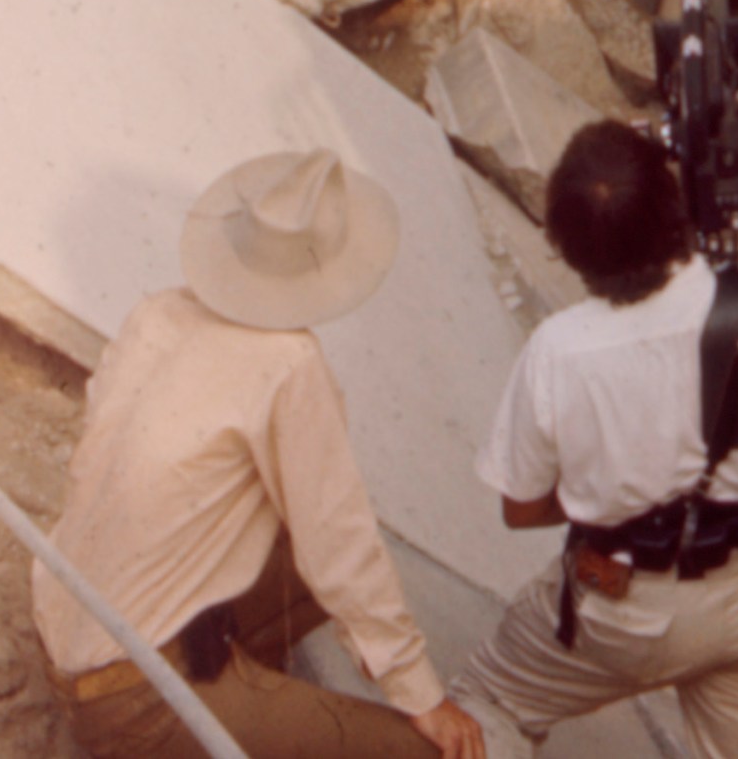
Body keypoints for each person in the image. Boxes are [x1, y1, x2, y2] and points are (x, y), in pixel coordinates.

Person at [33, 146, 485, 759]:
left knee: (291, 541)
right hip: (136, 697)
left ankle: (243, 690)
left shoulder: (159, 313)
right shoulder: (287, 365)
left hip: (62, 628)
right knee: (424, 754)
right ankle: (221, 720)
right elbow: (341, 547)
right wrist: (421, 696)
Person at [453, 123, 738, 759]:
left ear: (568, 248)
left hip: (625, 608)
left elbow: (521, 508)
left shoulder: (558, 351)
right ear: (674, 210)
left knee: (484, 705)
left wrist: (617, 492)